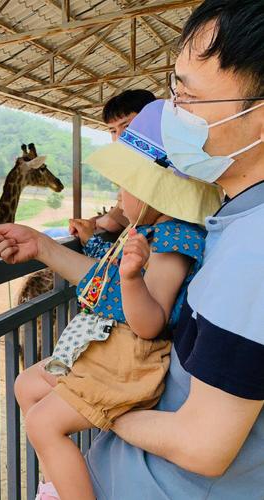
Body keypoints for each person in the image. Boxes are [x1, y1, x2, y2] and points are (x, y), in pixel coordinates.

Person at [0, 101, 221, 500]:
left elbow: (150, 322)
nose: (119, 198)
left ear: (157, 190)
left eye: (124, 187)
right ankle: (63, 481)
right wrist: (44, 244)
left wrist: (128, 279)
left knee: (43, 424)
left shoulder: (175, 239)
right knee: (27, 385)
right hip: (107, 350)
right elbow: (106, 278)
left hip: (130, 359)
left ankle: (65, 491)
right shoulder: (144, 233)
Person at [81, 2, 264, 498]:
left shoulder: (255, 251)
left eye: (189, 97)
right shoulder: (232, 216)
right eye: (173, 91)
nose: (172, 114)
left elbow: (203, 445)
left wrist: (99, 405)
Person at [70, 90, 156, 255]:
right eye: (113, 131)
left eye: (127, 126)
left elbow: (113, 222)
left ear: (152, 121)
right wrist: (93, 222)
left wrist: (90, 239)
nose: (120, 137)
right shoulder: (134, 165)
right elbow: (117, 216)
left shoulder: (161, 170)